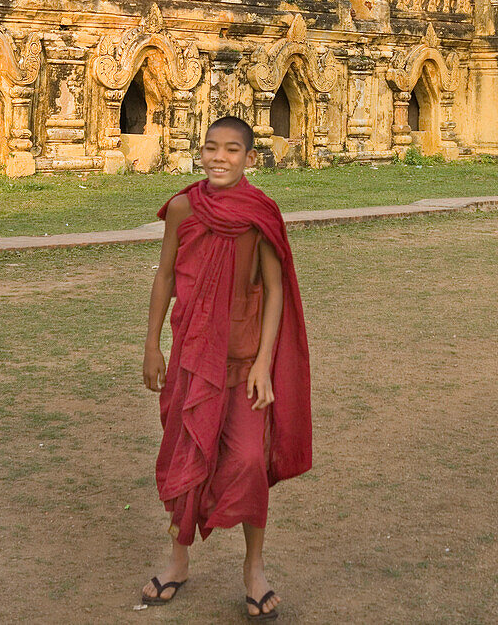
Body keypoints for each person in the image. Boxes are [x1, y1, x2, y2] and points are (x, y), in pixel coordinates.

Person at [141, 116, 312, 620]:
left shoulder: (259, 213)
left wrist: (264, 362)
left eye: (232, 150)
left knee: (248, 462)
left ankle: (253, 567)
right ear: (200, 153)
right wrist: (152, 346)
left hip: (241, 360)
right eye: (211, 148)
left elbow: (275, 288)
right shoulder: (181, 208)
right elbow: (165, 277)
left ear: (250, 159)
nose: (219, 158)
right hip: (193, 356)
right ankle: (177, 562)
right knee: (185, 457)